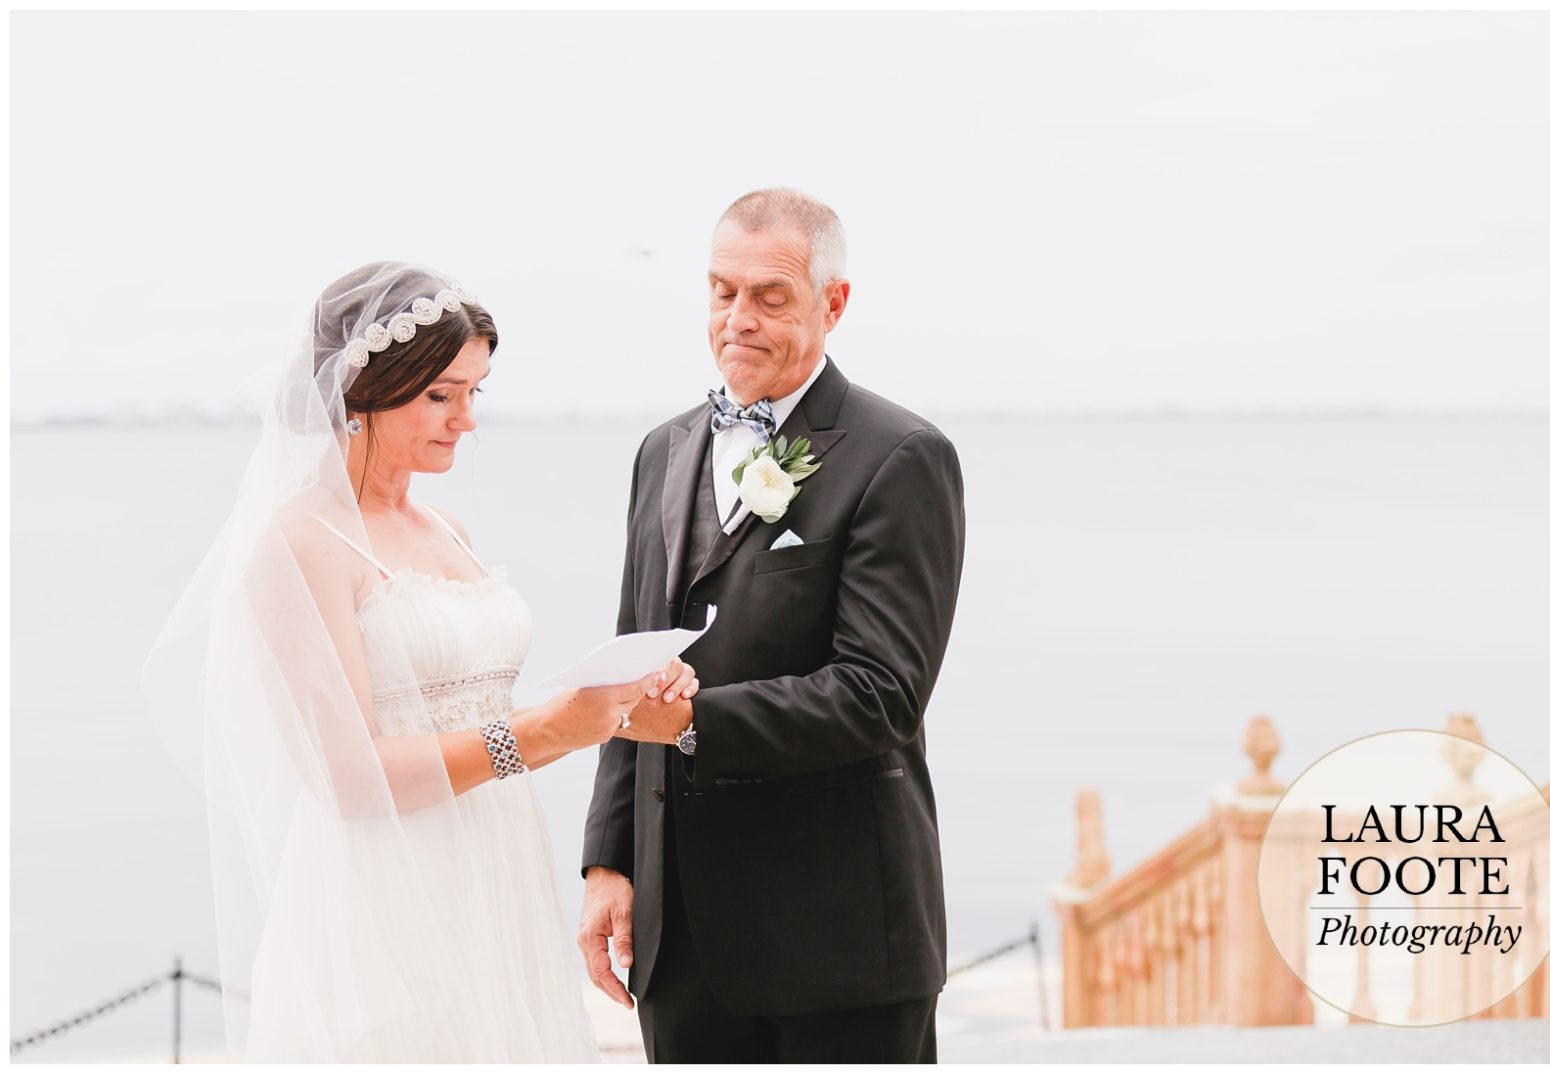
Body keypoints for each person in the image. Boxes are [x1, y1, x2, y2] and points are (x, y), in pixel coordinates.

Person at [146, 261, 697, 1061]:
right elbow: (350, 778)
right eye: (441, 395)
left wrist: (622, 701)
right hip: (383, 886)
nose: (465, 419)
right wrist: (549, 732)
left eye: (475, 392)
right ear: (360, 395)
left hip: (495, 859)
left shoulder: (448, 531)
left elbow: (489, 702)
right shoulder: (302, 545)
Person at [579, 190, 966, 1063]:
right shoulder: (662, 451)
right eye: (721, 292)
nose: (736, 319)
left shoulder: (900, 456)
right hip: (680, 946)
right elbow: (628, 660)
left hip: (839, 944)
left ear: (834, 304)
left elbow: (882, 694)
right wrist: (610, 860)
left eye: (770, 296)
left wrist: (694, 721)